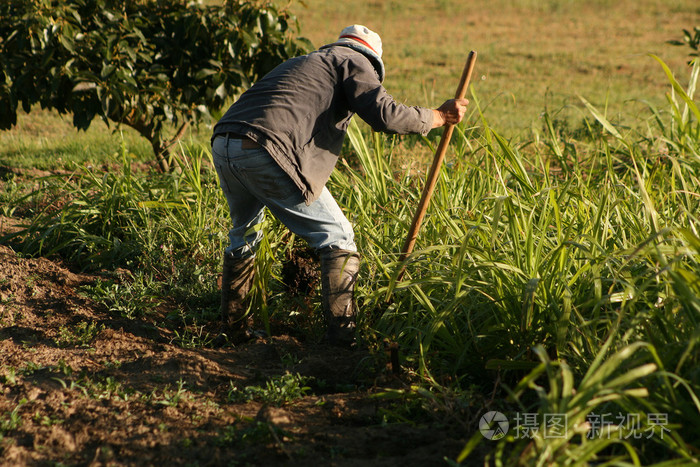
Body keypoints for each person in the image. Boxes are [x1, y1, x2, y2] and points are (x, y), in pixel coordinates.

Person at [211, 24, 468, 347]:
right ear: (373, 61)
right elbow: (384, 115)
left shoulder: (304, 62)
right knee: (338, 235)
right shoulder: (354, 62)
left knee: (245, 232)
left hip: (225, 142)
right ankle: (341, 341)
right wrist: (438, 116)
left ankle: (233, 330)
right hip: (265, 149)